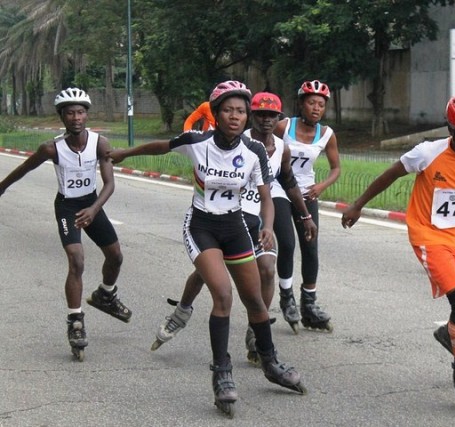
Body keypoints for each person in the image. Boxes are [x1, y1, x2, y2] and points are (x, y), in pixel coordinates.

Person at [108, 81, 306, 418]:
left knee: (256, 299)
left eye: (241, 111)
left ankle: (270, 362)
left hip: (235, 226)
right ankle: (221, 373)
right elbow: (161, 146)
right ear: (215, 114)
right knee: (223, 296)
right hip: (200, 226)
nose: (235, 116)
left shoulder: (253, 151)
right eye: (228, 110)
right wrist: (124, 154)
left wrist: (269, 227)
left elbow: (267, 196)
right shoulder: (197, 143)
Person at [340, 94, 455, 415]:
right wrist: (358, 204)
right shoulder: (428, 152)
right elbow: (390, 175)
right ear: (451, 130)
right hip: (427, 234)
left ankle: (449, 335)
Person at [151, 91, 318, 362]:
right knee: (207, 274)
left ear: (279, 118)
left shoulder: (281, 148)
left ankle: (255, 332)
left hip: (258, 220)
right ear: (252, 115)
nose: (266, 121)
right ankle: (181, 312)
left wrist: (304, 216)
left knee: (266, 269)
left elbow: (287, 182)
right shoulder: (238, 139)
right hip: (231, 217)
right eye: (260, 115)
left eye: (271, 116)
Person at [0, 87, 131, 362]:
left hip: (92, 204)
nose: (76, 118)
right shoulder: (51, 147)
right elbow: (23, 169)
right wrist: (2, 187)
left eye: (81, 112)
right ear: (62, 116)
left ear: (87, 115)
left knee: (116, 256)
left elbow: (109, 184)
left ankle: (106, 295)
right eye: (70, 113)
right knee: (77, 260)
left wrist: (94, 210)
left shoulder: (100, 143)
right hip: (67, 206)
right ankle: (75, 321)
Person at [272, 80, 341, 333]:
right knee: (287, 243)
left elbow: (336, 168)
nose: (316, 108)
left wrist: (321, 186)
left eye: (321, 105)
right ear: (301, 103)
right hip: (280, 188)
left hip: (307, 192)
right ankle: (286, 296)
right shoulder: (283, 126)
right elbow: (266, 151)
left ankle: (309, 304)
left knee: (310, 246)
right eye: (311, 102)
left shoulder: (327, 134)